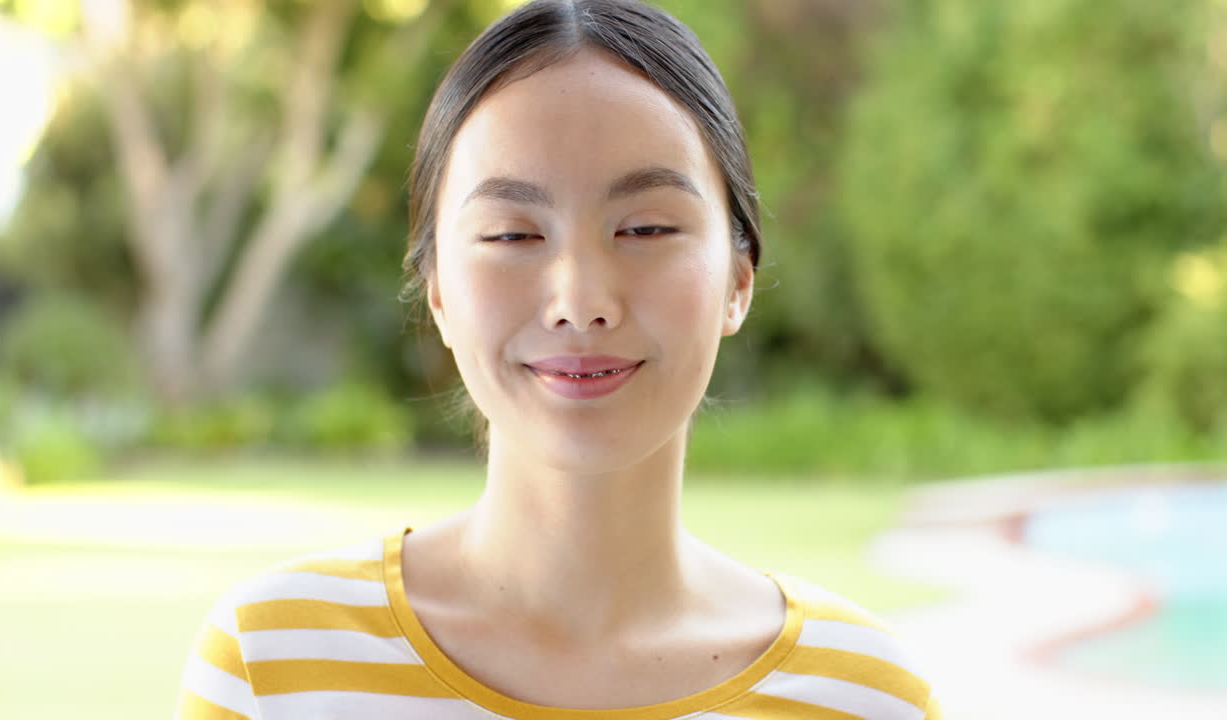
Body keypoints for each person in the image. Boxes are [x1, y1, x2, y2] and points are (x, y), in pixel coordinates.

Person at [175, 1, 942, 718]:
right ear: (438, 291)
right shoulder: (272, 663)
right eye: (513, 234)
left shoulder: (863, 695)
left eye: (645, 229)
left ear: (738, 282)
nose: (580, 301)